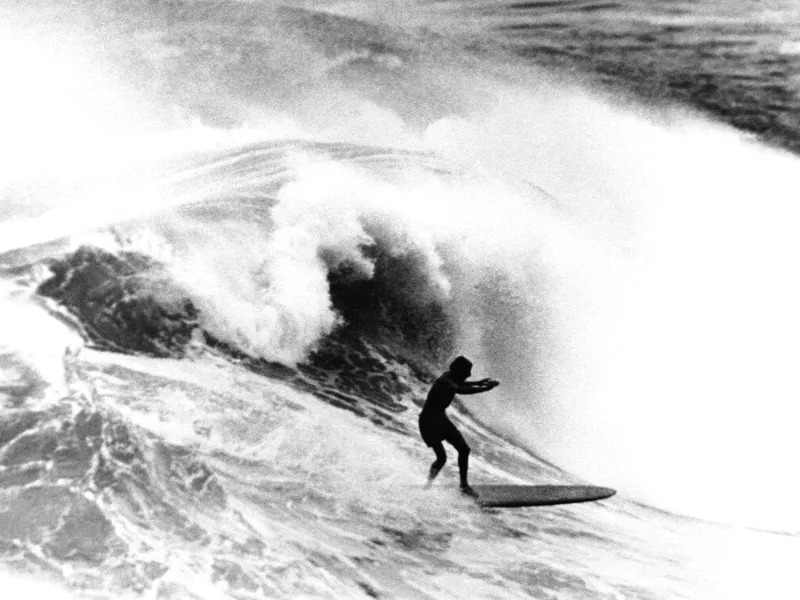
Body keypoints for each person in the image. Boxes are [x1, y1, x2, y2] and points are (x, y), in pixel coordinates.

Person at [418, 356, 499, 497]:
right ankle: (428, 485)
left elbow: (463, 383)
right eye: (467, 371)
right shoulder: (446, 381)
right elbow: (461, 390)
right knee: (442, 458)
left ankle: (464, 486)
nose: (469, 374)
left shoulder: (452, 376)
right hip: (428, 421)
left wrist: (480, 382)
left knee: (464, 449)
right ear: (459, 371)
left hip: (440, 418)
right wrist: (485, 389)